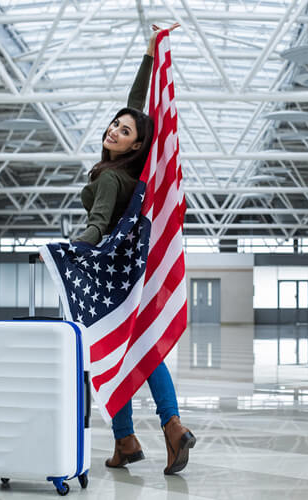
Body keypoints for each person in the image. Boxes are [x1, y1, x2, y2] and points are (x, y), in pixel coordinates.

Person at [74, 23, 195, 476]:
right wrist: (148, 56)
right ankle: (156, 432)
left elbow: (96, 224)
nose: (114, 129)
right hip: (135, 270)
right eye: (113, 124)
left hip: (109, 274)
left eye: (123, 130)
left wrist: (71, 250)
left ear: (136, 144)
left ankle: (136, 435)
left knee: (110, 353)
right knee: (141, 349)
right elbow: (138, 106)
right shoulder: (134, 172)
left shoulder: (109, 177)